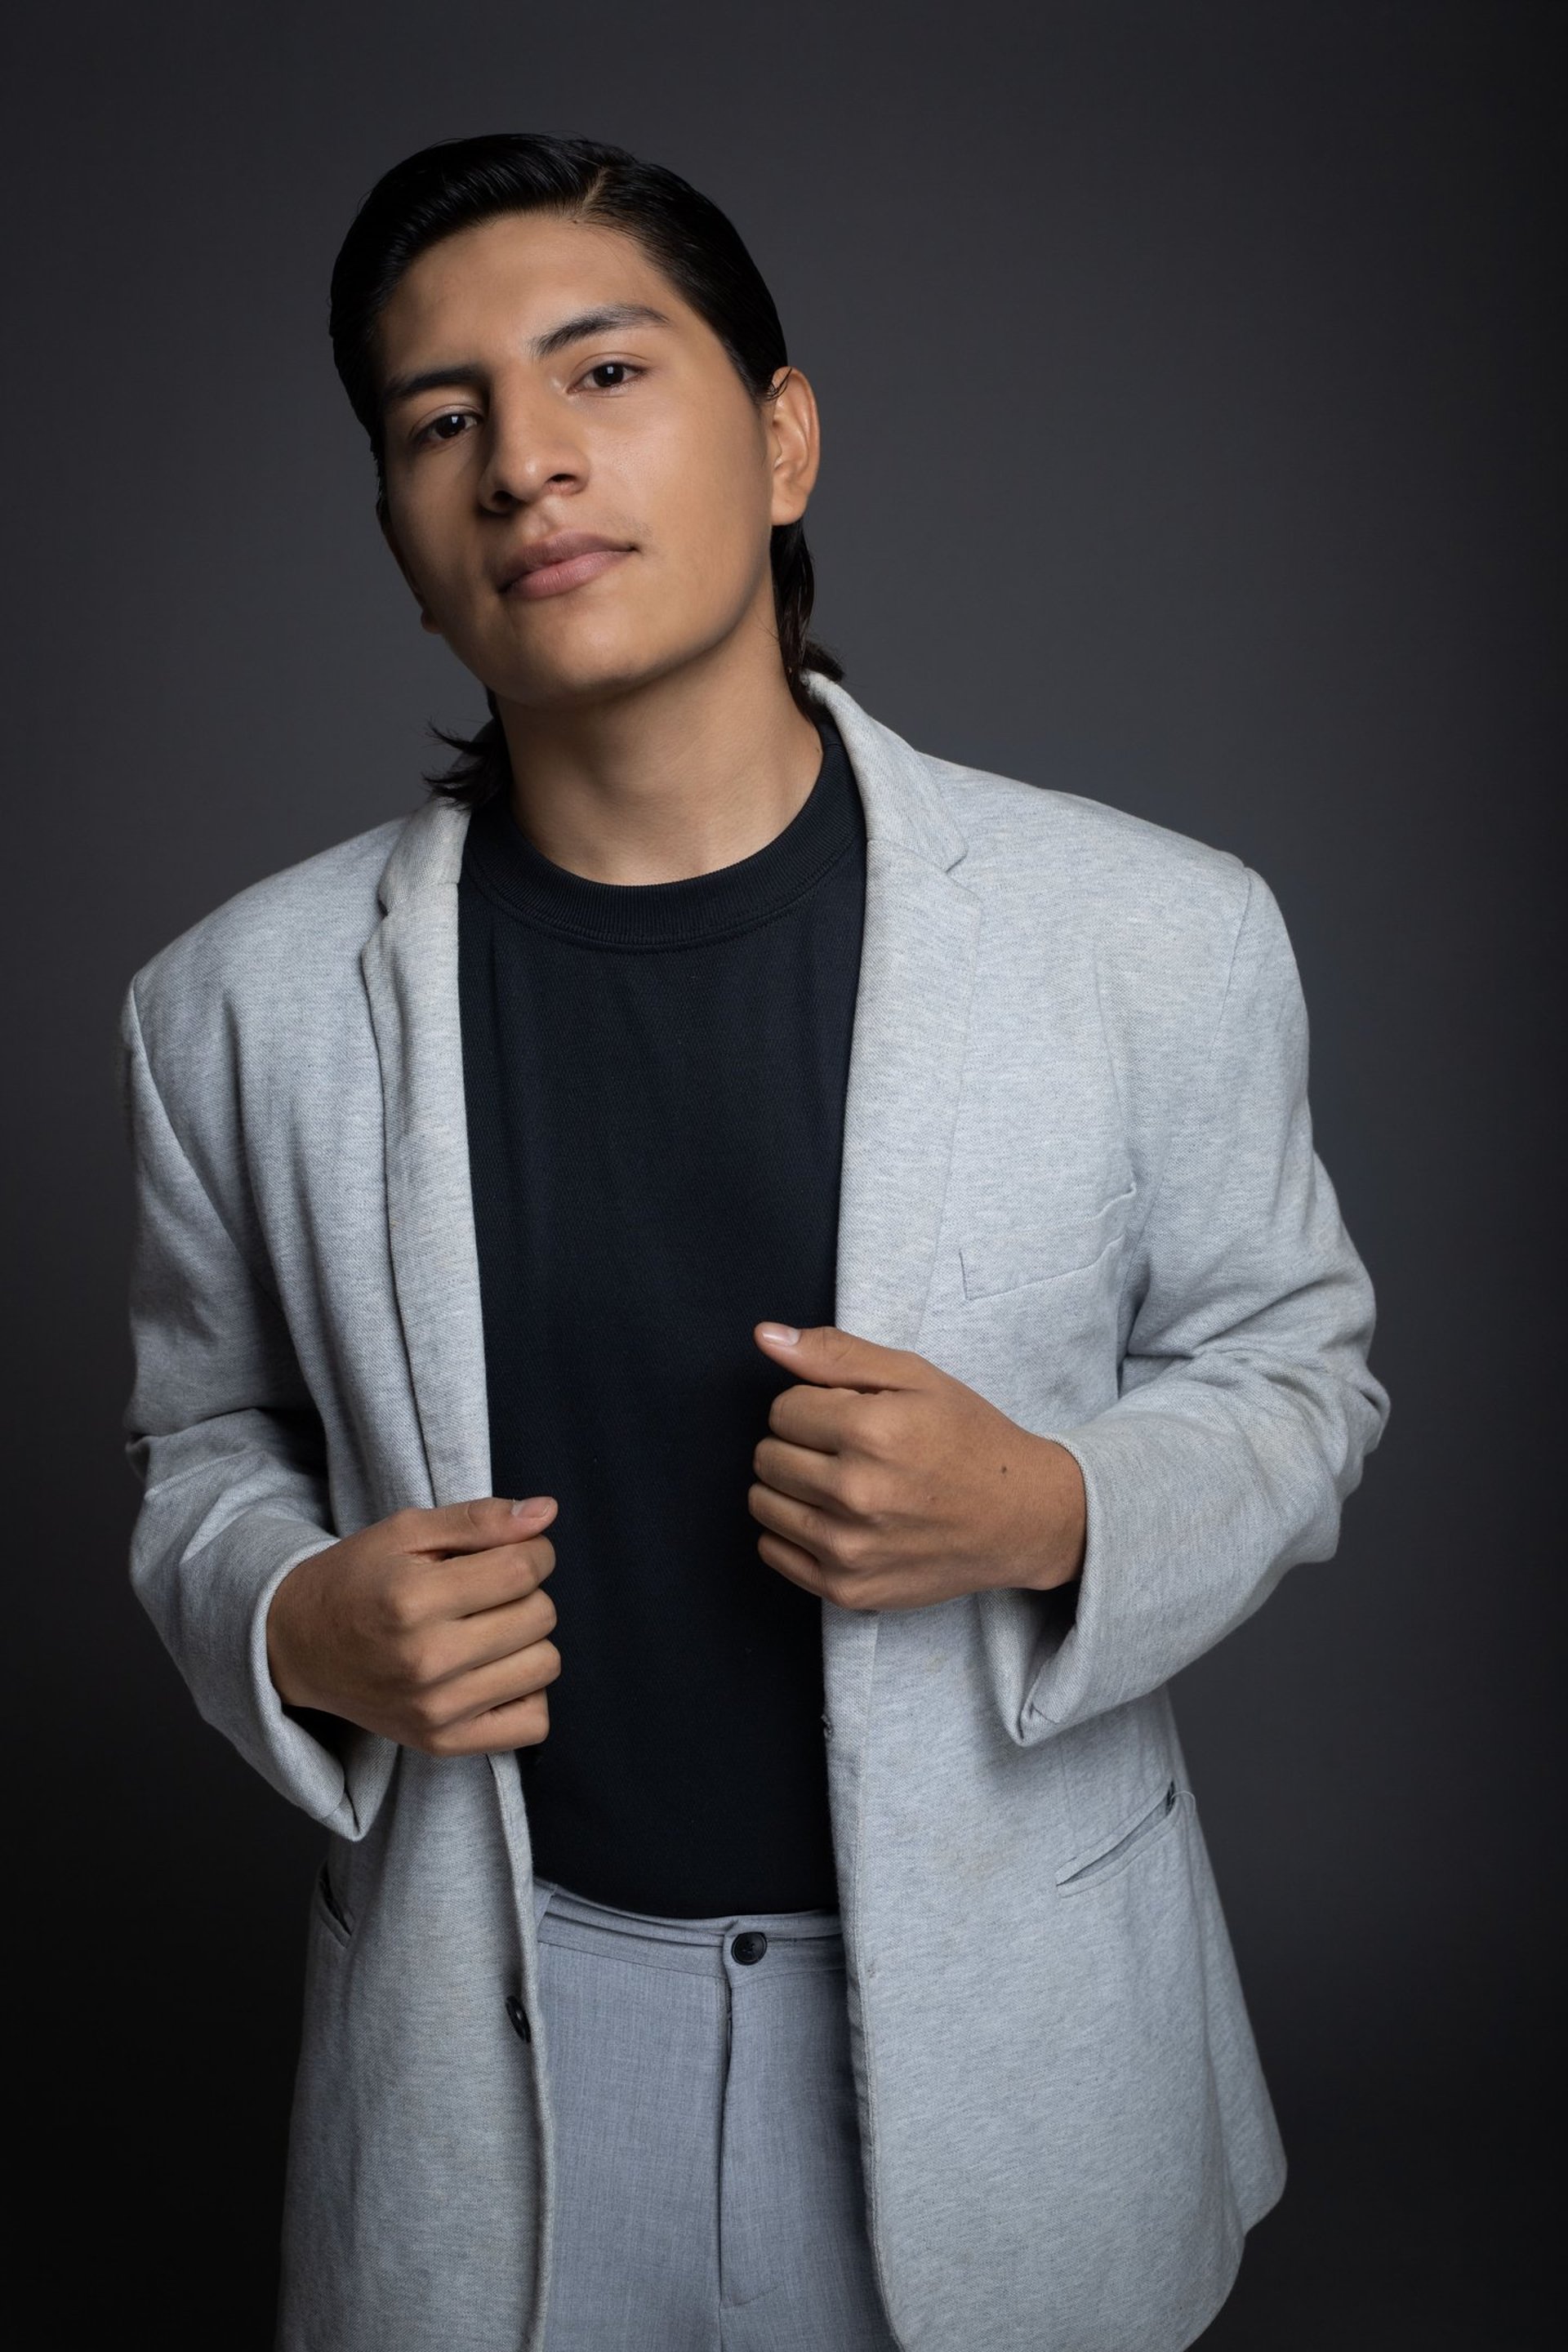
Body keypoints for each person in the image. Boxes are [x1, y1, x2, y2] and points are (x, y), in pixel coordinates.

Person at [117, 132, 1389, 2352]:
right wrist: (295, 1618)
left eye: (603, 371)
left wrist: (1055, 1504)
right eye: (439, 420)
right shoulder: (233, 1007)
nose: (524, 460)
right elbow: (204, 1449)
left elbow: (1301, 1372)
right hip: (489, 2051)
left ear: (784, 439)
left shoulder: (1154, 935)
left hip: (1012, 2033)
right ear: (404, 536)